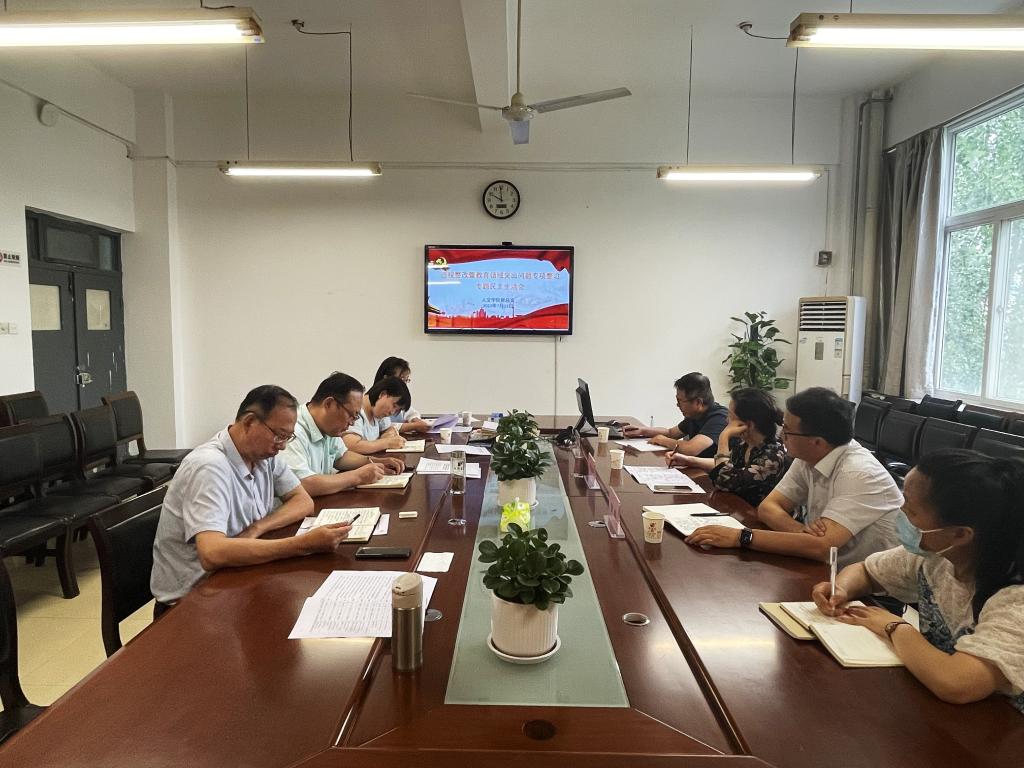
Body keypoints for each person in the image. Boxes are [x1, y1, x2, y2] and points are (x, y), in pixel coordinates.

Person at [811, 449, 1024, 711]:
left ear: (960, 534)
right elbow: (865, 571)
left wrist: (894, 627)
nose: (900, 514)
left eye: (910, 510)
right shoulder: (937, 555)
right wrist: (841, 589)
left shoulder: (1015, 599)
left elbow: (957, 683)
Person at [151, 385, 352, 609]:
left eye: (288, 437)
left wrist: (258, 528)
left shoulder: (264, 456)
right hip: (191, 602)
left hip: (235, 579)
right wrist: (302, 545)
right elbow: (212, 553)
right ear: (249, 422)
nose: (282, 446)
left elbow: (303, 501)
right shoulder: (209, 466)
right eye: (279, 436)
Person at [685, 387, 901, 566]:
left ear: (817, 441)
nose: (781, 436)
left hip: (872, 590)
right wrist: (803, 534)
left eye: (787, 431)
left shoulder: (858, 473)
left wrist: (740, 536)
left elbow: (823, 549)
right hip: (826, 569)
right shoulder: (808, 456)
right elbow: (768, 508)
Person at [281, 372, 405, 498]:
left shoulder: (328, 427)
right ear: (329, 404)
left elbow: (341, 456)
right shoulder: (292, 431)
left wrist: (375, 462)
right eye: (351, 415)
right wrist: (357, 477)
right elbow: (302, 484)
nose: (352, 423)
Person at [667, 387, 786, 506]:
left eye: (731, 416)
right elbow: (726, 464)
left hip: (753, 514)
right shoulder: (746, 443)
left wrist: (723, 437)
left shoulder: (771, 457)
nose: (726, 420)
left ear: (748, 424)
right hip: (736, 507)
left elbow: (724, 480)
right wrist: (689, 460)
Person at [622, 372, 729, 458]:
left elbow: (691, 448)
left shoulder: (720, 418)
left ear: (698, 402)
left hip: (711, 475)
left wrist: (662, 440)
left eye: (680, 401)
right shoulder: (695, 414)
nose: (677, 405)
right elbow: (671, 433)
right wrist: (642, 431)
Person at [342, 376, 410, 455]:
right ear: (382, 394)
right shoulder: (356, 411)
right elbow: (351, 445)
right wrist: (386, 443)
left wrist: (388, 434)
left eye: (397, 410)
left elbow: (389, 428)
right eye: (394, 406)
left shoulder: (378, 412)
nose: (392, 412)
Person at [372, 356, 430, 434]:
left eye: (406, 380)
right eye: (402, 379)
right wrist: (414, 426)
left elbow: (409, 412)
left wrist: (415, 420)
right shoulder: (377, 400)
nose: (404, 384)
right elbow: (384, 427)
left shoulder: (397, 398)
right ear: (386, 378)